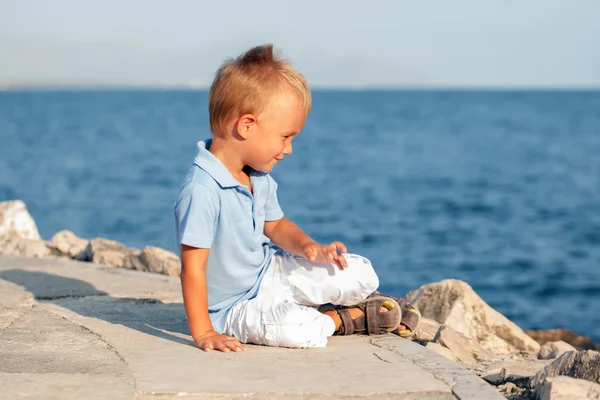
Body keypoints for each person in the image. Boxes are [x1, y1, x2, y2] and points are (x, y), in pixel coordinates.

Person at [174, 44, 418, 353]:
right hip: (232, 308)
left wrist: (307, 247)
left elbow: (275, 225)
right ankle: (340, 319)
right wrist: (204, 331)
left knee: (360, 272)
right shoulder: (202, 190)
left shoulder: (256, 176)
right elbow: (192, 268)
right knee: (301, 331)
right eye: (285, 137)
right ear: (247, 125)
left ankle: (338, 301)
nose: (288, 149)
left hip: (269, 274)